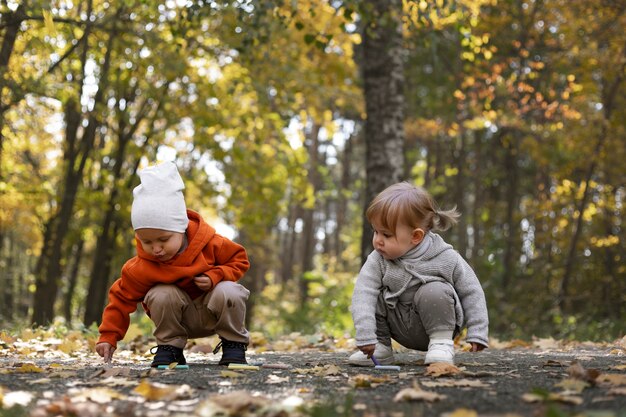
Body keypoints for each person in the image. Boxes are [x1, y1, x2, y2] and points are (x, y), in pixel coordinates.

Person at [95, 161, 251, 367]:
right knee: (161, 293)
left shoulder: (211, 243)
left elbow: (240, 259)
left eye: (163, 239)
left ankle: (234, 345)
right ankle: (170, 348)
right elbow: (120, 299)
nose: (156, 249)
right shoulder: (140, 267)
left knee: (229, 290)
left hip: (215, 312)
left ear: (181, 227)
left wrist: (216, 275)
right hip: (177, 321)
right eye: (147, 242)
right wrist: (108, 336)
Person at [349, 182, 489, 366]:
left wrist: (478, 330)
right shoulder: (378, 260)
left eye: (386, 235)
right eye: (376, 232)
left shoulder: (446, 257)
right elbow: (363, 293)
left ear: (416, 236)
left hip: (438, 324)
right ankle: (380, 347)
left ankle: (441, 344)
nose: (378, 241)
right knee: (370, 293)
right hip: (399, 326)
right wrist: (366, 334)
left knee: (434, 289)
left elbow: (471, 290)